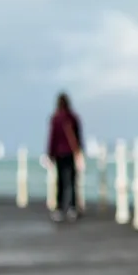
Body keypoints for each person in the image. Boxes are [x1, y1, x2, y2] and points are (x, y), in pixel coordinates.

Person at [46, 92, 84, 222]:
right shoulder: (73, 118)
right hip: (70, 152)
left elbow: (52, 138)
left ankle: (60, 208)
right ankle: (72, 208)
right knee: (72, 180)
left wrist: (50, 153)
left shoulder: (55, 118)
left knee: (60, 181)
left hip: (59, 153)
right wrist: (79, 150)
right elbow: (78, 136)